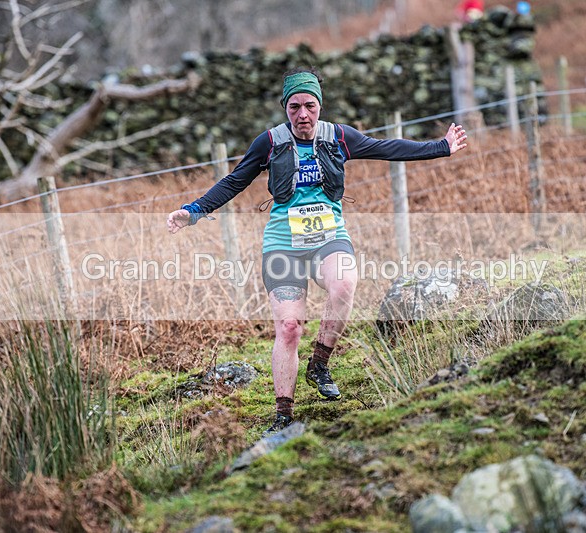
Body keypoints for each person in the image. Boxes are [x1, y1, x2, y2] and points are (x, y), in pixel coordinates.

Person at [166, 67, 468, 437]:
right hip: (283, 244)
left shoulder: (339, 137)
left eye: (309, 106)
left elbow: (387, 148)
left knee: (344, 286)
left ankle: (320, 363)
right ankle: (283, 414)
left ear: (319, 106)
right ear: (285, 108)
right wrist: (192, 212)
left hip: (328, 237)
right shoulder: (269, 142)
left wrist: (441, 147)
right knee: (289, 327)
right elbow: (233, 181)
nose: (302, 115)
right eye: (294, 107)